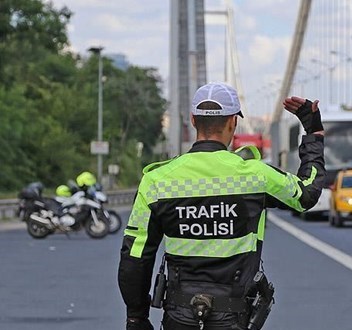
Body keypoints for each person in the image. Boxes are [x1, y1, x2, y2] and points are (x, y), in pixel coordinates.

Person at [118, 82, 326, 330]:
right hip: (234, 317)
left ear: (194, 121)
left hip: (178, 316)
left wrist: (136, 317)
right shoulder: (255, 176)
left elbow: (135, 257)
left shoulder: (157, 181)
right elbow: (307, 194)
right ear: (233, 123)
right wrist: (313, 132)